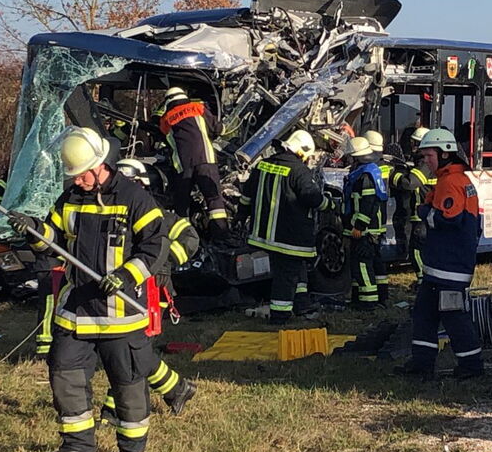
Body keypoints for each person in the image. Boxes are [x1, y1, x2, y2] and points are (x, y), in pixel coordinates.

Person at [8, 126, 165, 452]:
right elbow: (55, 241)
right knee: (63, 373)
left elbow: (156, 246)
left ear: (99, 166)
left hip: (120, 315)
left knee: (128, 385)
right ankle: (78, 447)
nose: (76, 181)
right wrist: (34, 231)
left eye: (81, 176)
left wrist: (126, 275)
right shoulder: (69, 199)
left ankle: (130, 450)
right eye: (74, 177)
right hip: (76, 312)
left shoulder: (135, 199)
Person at [90, 158, 198, 421]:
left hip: (149, 294)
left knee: (131, 351)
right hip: (117, 293)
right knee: (132, 351)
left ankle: (116, 408)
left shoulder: (156, 213)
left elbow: (189, 238)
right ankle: (176, 388)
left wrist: (162, 261)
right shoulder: (106, 210)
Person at [395, 128, 483, 380]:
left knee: (453, 316)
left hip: (450, 267)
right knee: (424, 314)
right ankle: (422, 364)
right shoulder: (453, 180)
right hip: (442, 267)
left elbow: (448, 218)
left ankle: (471, 366)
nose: (426, 162)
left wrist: (425, 213)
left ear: (445, 155)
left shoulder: (452, 182)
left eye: (429, 157)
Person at [238, 130, 332, 324]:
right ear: (301, 151)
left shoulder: (262, 165)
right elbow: (312, 197)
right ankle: (280, 315)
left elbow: (246, 196)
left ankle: (302, 303)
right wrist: (329, 204)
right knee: (286, 276)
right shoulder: (298, 171)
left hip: (264, 234)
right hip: (289, 237)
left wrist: (240, 217)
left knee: (296, 269)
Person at [158, 87, 228, 239]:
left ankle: (184, 238)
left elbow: (165, 137)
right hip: (205, 160)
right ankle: (221, 235)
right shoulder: (198, 108)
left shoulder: (166, 119)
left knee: (181, 203)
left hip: (182, 166)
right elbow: (218, 129)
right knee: (213, 199)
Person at [342, 136, 386, 310]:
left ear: (356, 156)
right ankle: (372, 297)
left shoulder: (365, 176)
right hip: (370, 229)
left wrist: (359, 226)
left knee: (362, 264)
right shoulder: (369, 171)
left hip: (365, 230)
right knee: (369, 263)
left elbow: (368, 203)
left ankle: (368, 302)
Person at [391, 127, 435, 284]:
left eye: (416, 143)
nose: (413, 146)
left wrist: (393, 174)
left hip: (422, 215)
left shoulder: (425, 164)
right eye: (412, 142)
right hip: (425, 213)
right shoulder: (425, 162)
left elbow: (409, 183)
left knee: (416, 250)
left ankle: (424, 281)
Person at [364, 130, 391, 304]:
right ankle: (383, 294)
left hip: (371, 220)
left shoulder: (372, 170)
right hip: (379, 219)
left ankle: (370, 299)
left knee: (367, 259)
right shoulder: (383, 166)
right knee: (378, 259)